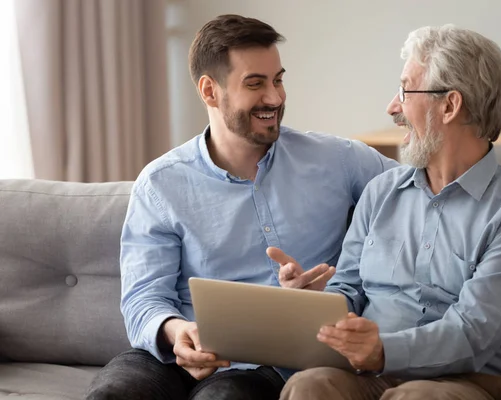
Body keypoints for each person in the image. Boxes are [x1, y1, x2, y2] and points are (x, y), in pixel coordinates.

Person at [85, 14, 398, 400]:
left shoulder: (340, 160)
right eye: (255, 84)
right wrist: (176, 331)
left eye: (278, 80)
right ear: (209, 91)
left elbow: (421, 194)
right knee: (115, 395)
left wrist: (339, 291)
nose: (275, 97)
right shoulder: (161, 183)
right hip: (174, 355)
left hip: (263, 367)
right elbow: (144, 298)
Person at [270, 25, 501, 400]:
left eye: (405, 89)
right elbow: (348, 290)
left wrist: (384, 350)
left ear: (450, 105)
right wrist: (313, 304)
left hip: (466, 380)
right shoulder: (380, 194)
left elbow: (472, 334)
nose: (393, 107)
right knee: (310, 385)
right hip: (367, 372)